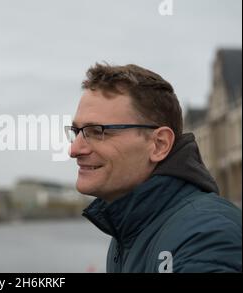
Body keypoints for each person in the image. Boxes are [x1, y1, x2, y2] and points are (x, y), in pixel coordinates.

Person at [65, 63, 242, 273]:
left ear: (159, 144)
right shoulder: (128, 230)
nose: (74, 149)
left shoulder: (207, 234)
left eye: (97, 131)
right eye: (77, 131)